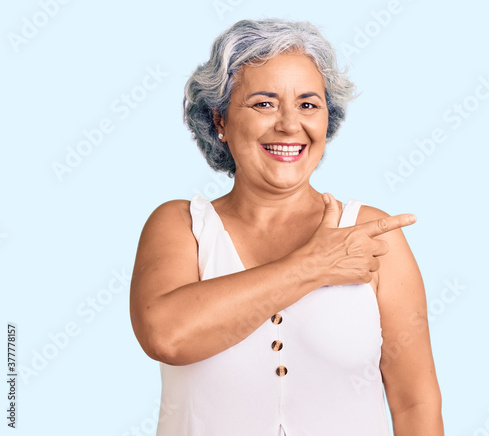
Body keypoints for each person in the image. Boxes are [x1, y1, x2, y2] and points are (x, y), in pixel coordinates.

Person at [128, 18, 443, 436]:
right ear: (219, 119)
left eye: (308, 105)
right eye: (264, 103)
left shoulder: (372, 234)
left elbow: (415, 402)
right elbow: (166, 336)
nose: (290, 125)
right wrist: (311, 266)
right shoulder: (180, 225)